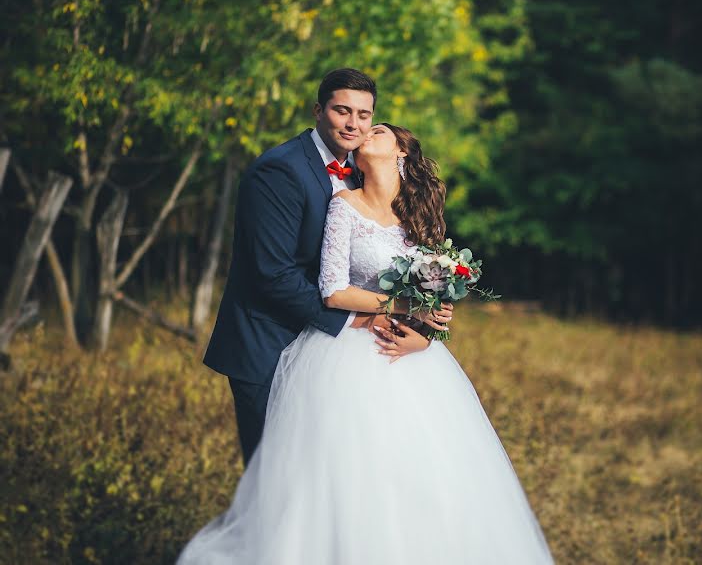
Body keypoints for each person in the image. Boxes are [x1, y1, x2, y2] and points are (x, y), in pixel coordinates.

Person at [178, 123, 554, 564]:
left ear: (402, 154)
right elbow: (333, 291)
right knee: (346, 474)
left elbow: (433, 294)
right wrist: (398, 304)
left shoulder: (421, 216)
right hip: (346, 352)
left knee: (421, 471)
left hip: (410, 358)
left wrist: (427, 332)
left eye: (377, 129)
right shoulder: (344, 205)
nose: (363, 133)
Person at [203, 68, 451, 465]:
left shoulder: (362, 172)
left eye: (364, 115)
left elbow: (426, 283)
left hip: (345, 352)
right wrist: (365, 318)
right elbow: (273, 276)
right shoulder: (279, 170)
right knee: (276, 476)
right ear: (319, 111)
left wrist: (425, 330)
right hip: (271, 341)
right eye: (342, 111)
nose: (354, 124)